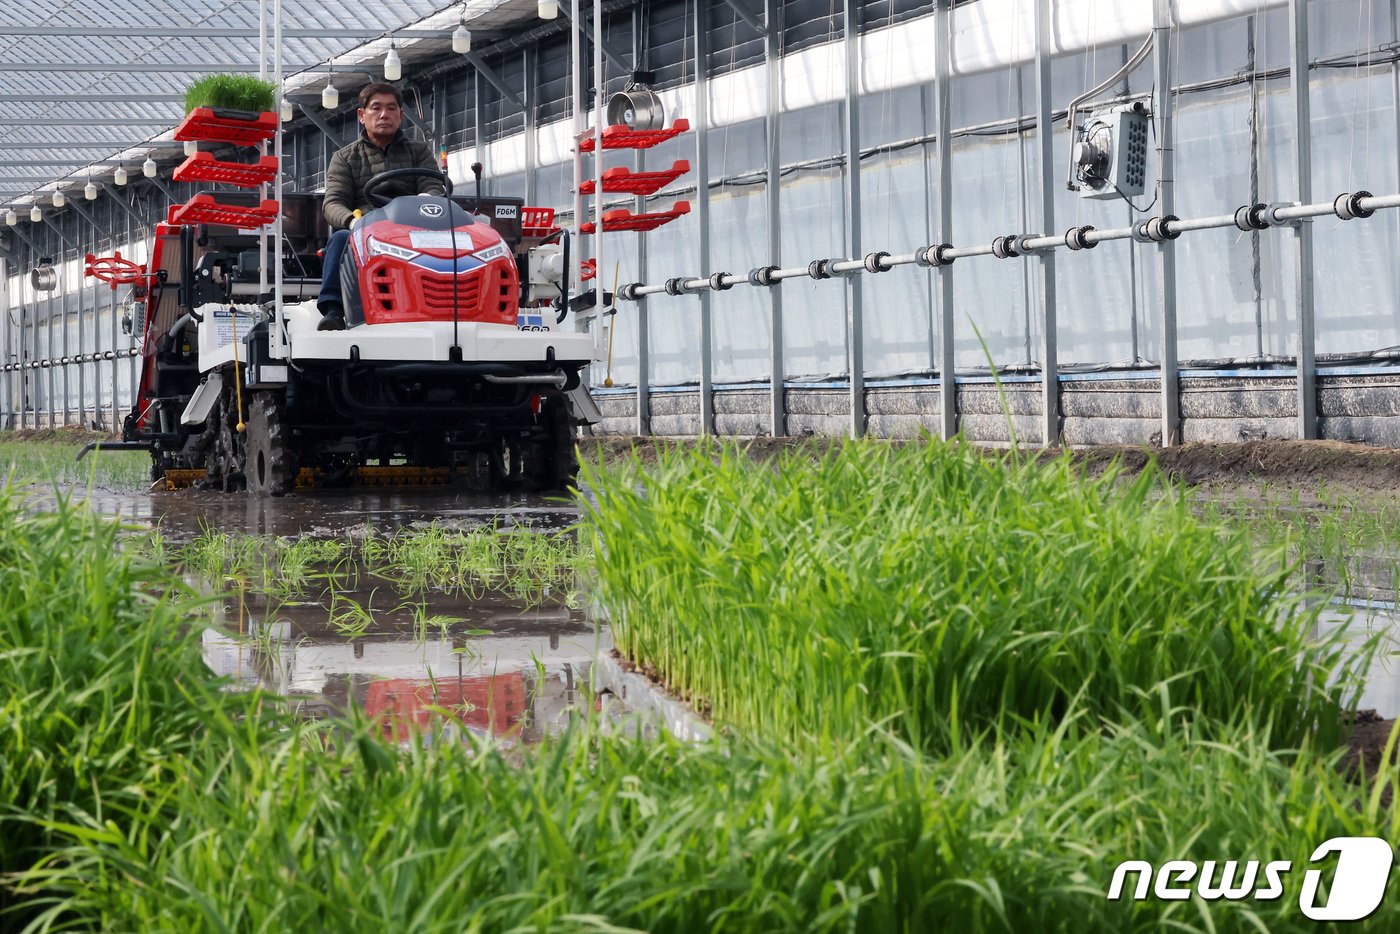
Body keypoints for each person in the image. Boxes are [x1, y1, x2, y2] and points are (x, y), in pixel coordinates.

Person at [317, 82, 446, 330]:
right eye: (376, 108)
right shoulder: (345, 157)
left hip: (413, 228)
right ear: (361, 115)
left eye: (391, 108)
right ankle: (333, 310)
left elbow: (433, 185)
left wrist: (427, 200)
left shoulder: (418, 152)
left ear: (400, 115)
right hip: (366, 229)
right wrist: (352, 222)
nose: (384, 114)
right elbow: (333, 202)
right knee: (340, 238)